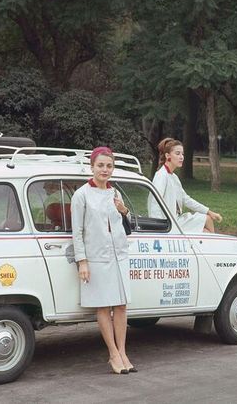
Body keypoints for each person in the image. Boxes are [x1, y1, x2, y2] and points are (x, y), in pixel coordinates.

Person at [71, 147, 136, 374]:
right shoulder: (81, 195)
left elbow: (126, 226)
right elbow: (77, 231)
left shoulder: (114, 193)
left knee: (121, 305)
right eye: (100, 165)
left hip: (119, 255)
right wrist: (83, 261)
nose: (105, 170)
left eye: (109, 166)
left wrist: (124, 210)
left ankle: (124, 351)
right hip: (97, 258)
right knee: (103, 305)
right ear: (92, 167)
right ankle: (113, 354)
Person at [148, 138, 223, 233]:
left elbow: (186, 199)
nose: (181, 157)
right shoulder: (161, 176)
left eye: (182, 154)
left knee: (208, 220)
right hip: (167, 225)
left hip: (177, 220)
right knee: (206, 229)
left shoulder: (173, 177)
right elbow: (155, 204)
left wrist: (209, 212)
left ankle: (211, 245)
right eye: (177, 153)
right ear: (168, 156)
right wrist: (158, 230)